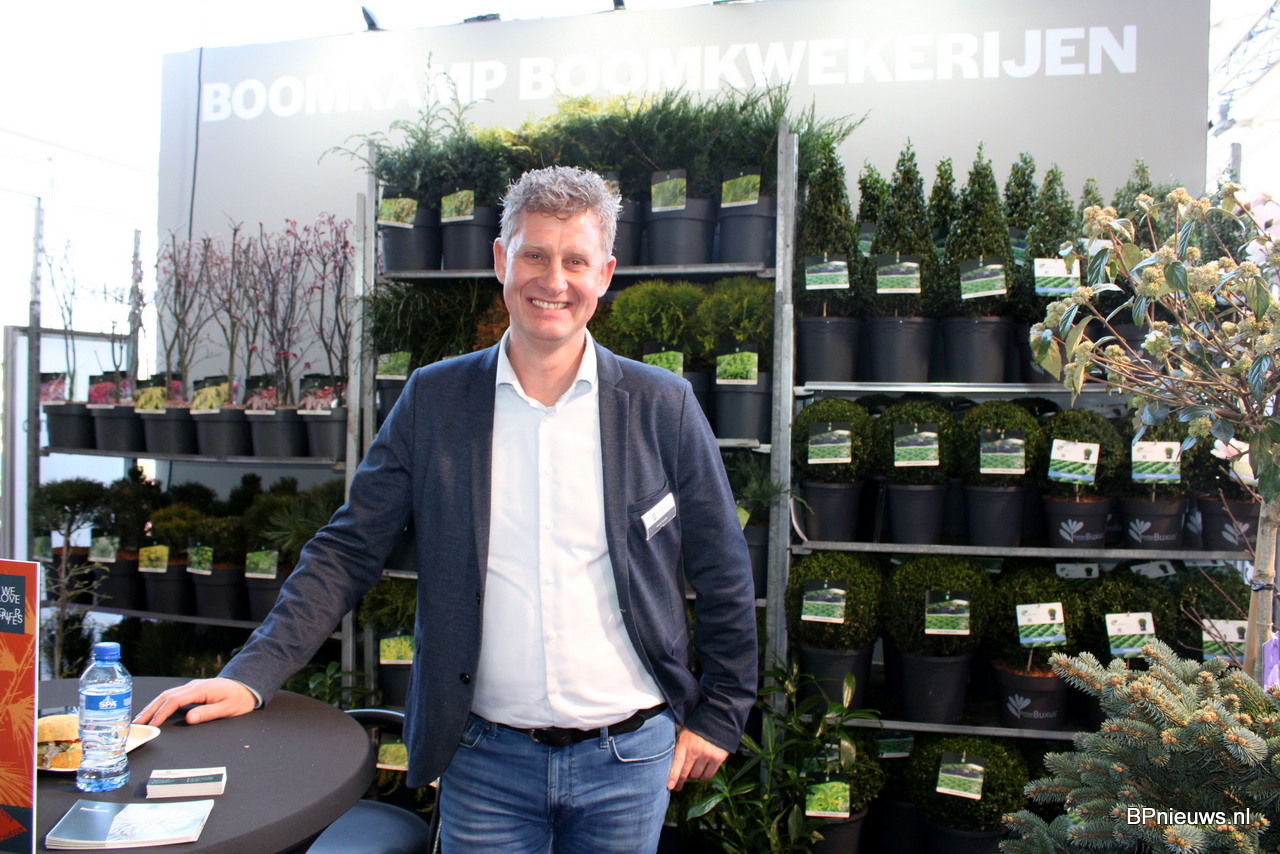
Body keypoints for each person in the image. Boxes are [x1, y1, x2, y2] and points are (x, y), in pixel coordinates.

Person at [136, 165, 758, 852]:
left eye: (575, 261)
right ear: (500, 260)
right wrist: (251, 676)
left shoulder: (662, 405)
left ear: (605, 274)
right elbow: (347, 549)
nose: (554, 280)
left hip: (629, 760)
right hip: (484, 763)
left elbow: (722, 565)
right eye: (534, 255)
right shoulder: (435, 401)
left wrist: (721, 714)